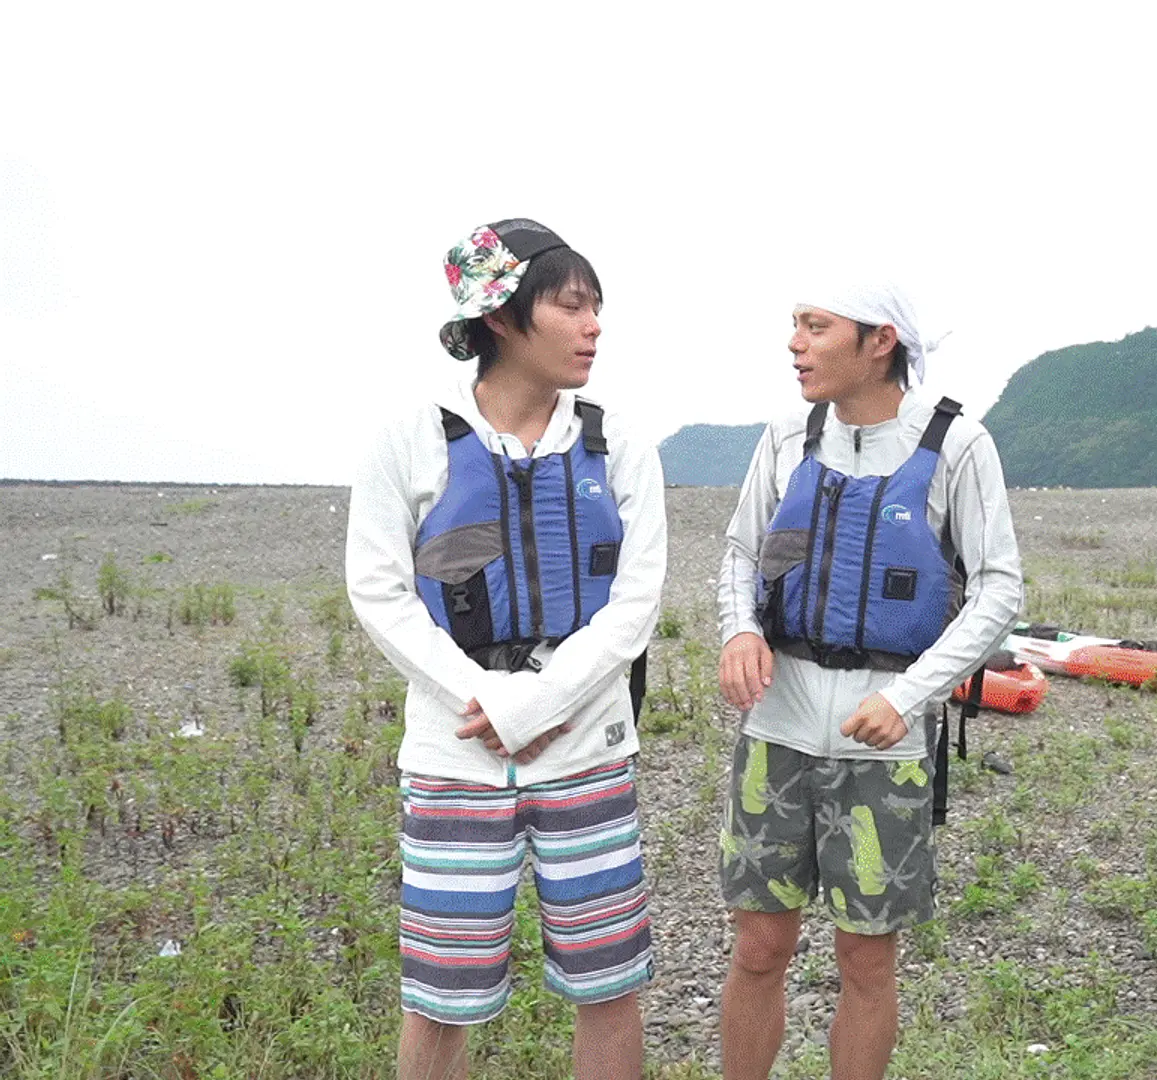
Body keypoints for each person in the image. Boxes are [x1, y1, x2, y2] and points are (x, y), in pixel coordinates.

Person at [346, 219, 666, 1080]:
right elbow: (379, 591)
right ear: (500, 317)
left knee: (609, 981)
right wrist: (484, 700)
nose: (594, 326)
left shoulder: (617, 442)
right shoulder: (409, 438)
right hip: (455, 746)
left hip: (587, 744)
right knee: (440, 993)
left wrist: (540, 702)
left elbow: (635, 602)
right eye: (571, 306)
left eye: (597, 307)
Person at [713, 283, 1023, 1080]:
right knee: (758, 946)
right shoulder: (786, 437)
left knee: (866, 959)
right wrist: (741, 629)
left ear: (880, 341)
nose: (796, 343)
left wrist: (909, 695)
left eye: (816, 326)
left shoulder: (958, 445)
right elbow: (742, 553)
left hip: (886, 739)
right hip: (776, 729)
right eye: (794, 325)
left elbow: (998, 590)